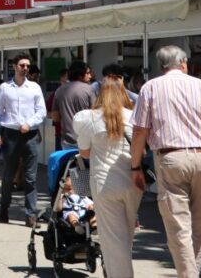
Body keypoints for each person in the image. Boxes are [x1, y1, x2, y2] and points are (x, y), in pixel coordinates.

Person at [129, 45, 201, 278]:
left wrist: (135, 166)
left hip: (171, 158)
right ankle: (191, 273)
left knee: (178, 228)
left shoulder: (150, 87)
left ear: (161, 65)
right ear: (183, 62)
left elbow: (140, 131)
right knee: (197, 226)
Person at [74, 77, 142, 278]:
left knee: (112, 240)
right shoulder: (133, 117)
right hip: (131, 182)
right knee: (126, 236)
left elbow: (84, 152)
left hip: (104, 183)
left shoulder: (91, 119)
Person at [0, 53, 46, 228]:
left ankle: (31, 215)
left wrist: (29, 124)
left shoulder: (35, 88)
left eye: (27, 66)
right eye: (22, 65)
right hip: (11, 135)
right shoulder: (5, 88)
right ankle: (4, 208)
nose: (25, 68)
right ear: (14, 67)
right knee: (9, 175)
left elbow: (41, 112)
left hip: (29, 135)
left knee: (30, 178)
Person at [50, 60, 95, 148]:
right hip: (86, 141)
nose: (90, 76)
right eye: (88, 73)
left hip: (67, 141)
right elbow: (96, 115)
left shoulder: (59, 90)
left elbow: (55, 118)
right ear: (80, 74)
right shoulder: (90, 90)